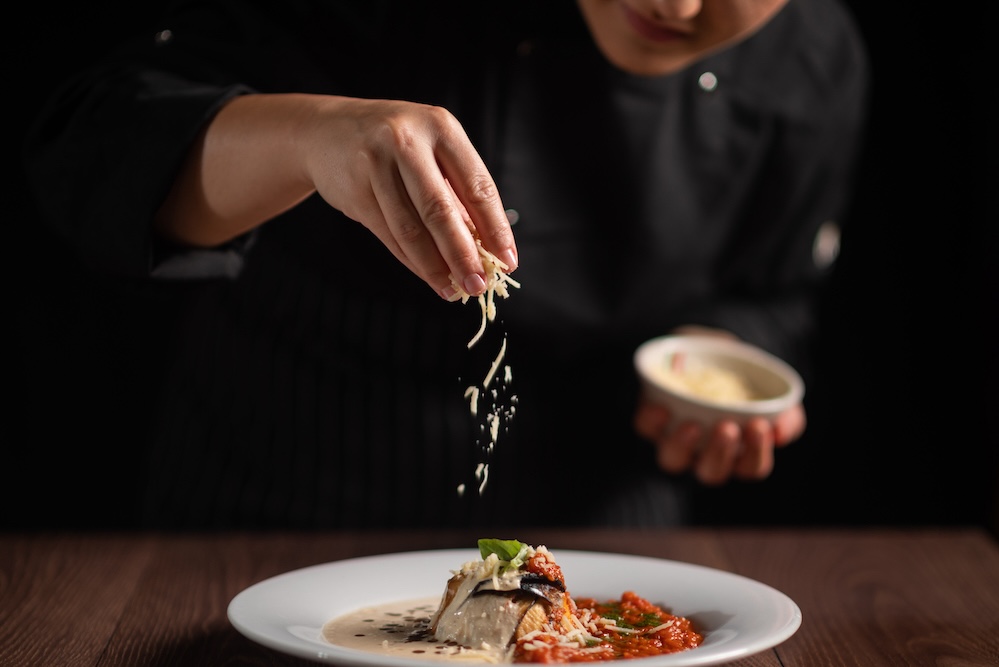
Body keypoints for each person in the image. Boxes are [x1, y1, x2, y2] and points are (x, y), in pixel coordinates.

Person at [22, 0, 869, 530]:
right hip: (274, 511)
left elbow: (778, 293)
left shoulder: (815, 61)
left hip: (605, 545)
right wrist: (306, 135)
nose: (673, 3)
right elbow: (93, 151)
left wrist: (712, 376)